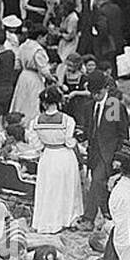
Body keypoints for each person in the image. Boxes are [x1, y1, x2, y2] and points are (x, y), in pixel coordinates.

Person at [28, 87, 83, 233]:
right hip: (64, 155)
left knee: (49, 189)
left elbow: (35, 142)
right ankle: (66, 218)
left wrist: (44, 147)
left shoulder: (35, 121)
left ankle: (48, 220)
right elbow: (69, 142)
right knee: (66, 187)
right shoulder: (68, 120)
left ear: (44, 103)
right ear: (58, 101)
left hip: (48, 156)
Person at [81, 70, 130, 226]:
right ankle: (107, 213)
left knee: (97, 181)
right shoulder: (89, 106)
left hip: (109, 152)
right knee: (98, 184)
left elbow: (122, 134)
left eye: (99, 92)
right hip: (94, 151)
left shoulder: (113, 105)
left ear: (106, 88)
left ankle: (89, 218)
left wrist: (119, 157)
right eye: (92, 93)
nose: (96, 96)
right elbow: (88, 129)